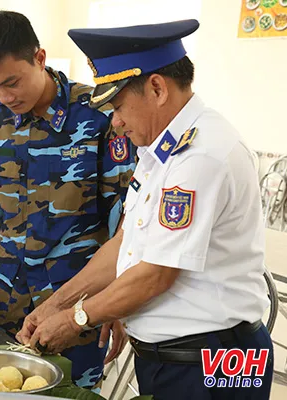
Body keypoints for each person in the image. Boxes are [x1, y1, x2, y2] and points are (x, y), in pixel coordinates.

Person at [17, 19, 274, 400]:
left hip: (211, 362)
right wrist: (56, 304)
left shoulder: (201, 154)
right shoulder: (159, 151)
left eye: (118, 107)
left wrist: (76, 319)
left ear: (156, 87)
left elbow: (155, 275)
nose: (115, 123)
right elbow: (126, 244)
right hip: (173, 360)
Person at [0, 11, 136, 389]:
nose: (4, 97)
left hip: (77, 307)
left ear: (40, 58)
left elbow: (126, 221)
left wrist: (118, 302)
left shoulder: (100, 114)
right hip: (6, 298)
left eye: (12, 83)